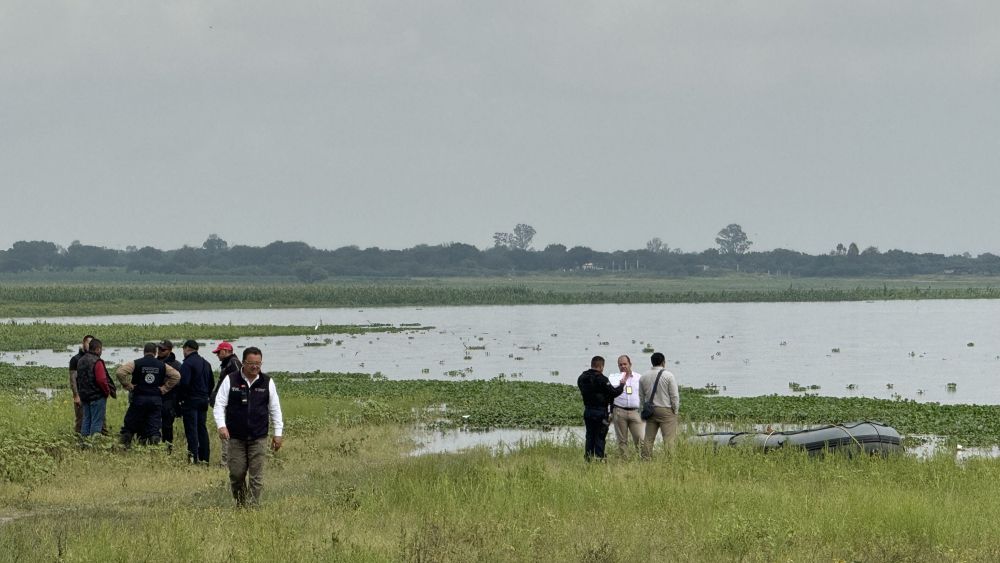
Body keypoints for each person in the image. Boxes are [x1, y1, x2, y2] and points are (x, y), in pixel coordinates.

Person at [213, 346, 284, 507]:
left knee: (256, 475)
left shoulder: (267, 382)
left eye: (258, 364)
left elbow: (275, 409)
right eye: (251, 363)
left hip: (258, 436)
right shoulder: (231, 379)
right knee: (237, 474)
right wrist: (221, 426)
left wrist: (278, 433)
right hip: (235, 437)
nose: (255, 367)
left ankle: (253, 507)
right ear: (243, 362)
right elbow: (219, 404)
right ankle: (241, 503)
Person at [115, 343, 181, 446]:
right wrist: (164, 388)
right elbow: (176, 376)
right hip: (155, 400)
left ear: (144, 351)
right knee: (154, 428)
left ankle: (124, 448)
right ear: (155, 353)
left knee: (130, 425)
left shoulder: (136, 363)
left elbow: (120, 372)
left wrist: (128, 386)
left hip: (139, 398)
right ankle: (154, 450)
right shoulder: (162, 365)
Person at [576, 355, 624, 462]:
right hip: (600, 412)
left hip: (588, 410)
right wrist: (622, 385)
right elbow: (614, 392)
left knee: (589, 436)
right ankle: (599, 459)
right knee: (600, 436)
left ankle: (588, 458)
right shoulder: (602, 379)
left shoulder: (581, 377)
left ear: (592, 364)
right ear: (601, 366)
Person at [179, 340, 215, 463]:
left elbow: (184, 383)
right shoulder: (206, 363)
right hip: (204, 400)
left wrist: (181, 399)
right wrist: (206, 395)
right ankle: (205, 459)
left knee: (191, 430)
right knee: (202, 429)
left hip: (191, 400)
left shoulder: (187, 364)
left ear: (186, 349)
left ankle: (192, 458)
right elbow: (212, 383)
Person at [639, 352, 680, 458]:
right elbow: (674, 396)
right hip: (666, 410)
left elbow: (641, 397)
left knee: (648, 438)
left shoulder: (643, 377)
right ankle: (670, 460)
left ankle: (646, 459)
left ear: (652, 362)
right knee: (668, 438)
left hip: (651, 410)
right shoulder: (668, 375)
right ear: (663, 362)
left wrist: (643, 409)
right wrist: (675, 411)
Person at [210, 341, 242, 466]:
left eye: (219, 352)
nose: (217, 354)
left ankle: (226, 462)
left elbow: (241, 382)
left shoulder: (233, 363)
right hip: (226, 404)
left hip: (231, 405)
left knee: (227, 432)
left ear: (227, 351)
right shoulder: (227, 364)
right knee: (225, 432)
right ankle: (227, 461)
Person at [76, 338, 112, 439]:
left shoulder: (80, 360)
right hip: (97, 396)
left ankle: (84, 443)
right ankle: (94, 445)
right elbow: (101, 380)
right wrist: (107, 391)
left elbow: (78, 378)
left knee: (86, 420)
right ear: (98, 349)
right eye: (101, 349)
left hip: (84, 396)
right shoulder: (97, 361)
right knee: (97, 421)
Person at [610, 355, 644, 457]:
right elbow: (609, 395)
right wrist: (609, 412)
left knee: (640, 439)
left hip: (635, 412)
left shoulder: (639, 378)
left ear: (630, 364)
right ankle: (625, 461)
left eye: (625, 364)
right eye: (620, 365)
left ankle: (644, 460)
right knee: (622, 441)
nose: (623, 366)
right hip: (619, 412)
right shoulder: (613, 378)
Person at [155, 339, 184, 451]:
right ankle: (154, 447)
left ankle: (168, 449)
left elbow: (180, 384)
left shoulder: (177, 365)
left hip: (170, 400)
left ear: (170, 350)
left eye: (163, 349)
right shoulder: (154, 362)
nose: (160, 351)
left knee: (167, 426)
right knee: (153, 425)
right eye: (158, 348)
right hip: (155, 399)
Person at [69, 335, 94, 434]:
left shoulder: (94, 358)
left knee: (93, 419)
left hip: (92, 394)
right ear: (83, 343)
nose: (90, 345)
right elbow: (72, 378)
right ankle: (79, 442)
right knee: (81, 420)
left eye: (92, 344)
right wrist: (76, 395)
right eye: (88, 343)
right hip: (81, 394)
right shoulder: (75, 359)